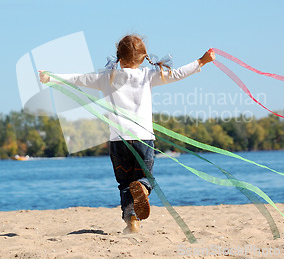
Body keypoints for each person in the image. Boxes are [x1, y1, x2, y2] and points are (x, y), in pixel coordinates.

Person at [39, 34, 215, 233]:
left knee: (124, 183)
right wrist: (202, 61)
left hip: (119, 141)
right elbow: (177, 74)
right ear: (143, 58)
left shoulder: (107, 78)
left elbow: (79, 78)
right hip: (144, 139)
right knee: (144, 178)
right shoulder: (148, 76)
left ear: (119, 57)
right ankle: (142, 187)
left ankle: (131, 219)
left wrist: (51, 77)